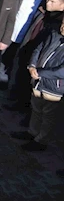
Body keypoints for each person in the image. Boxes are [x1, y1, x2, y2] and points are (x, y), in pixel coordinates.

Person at [10, 18, 64, 152]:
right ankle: (32, 132)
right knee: (36, 109)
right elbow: (39, 49)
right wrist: (32, 65)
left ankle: (41, 140)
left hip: (54, 87)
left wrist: (40, 73)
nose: (63, 27)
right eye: (63, 23)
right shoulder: (54, 35)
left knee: (48, 116)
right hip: (38, 81)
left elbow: (62, 71)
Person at [0, 0, 46, 89]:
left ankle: (13, 86)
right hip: (12, 32)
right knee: (4, 57)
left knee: (20, 63)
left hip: (28, 37)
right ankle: (2, 81)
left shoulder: (45, 2)